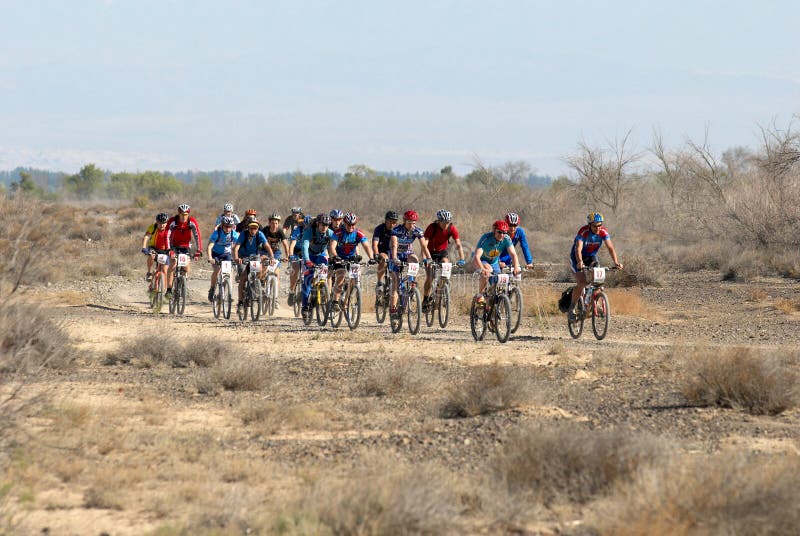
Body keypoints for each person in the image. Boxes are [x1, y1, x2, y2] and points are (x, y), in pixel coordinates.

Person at [568, 212, 623, 320]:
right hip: (577, 257)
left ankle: (594, 303)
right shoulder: (583, 232)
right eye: (595, 226)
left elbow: (610, 248)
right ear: (589, 225)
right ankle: (572, 308)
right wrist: (580, 262)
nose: (598, 228)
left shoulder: (603, 232)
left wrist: (616, 262)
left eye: (600, 225)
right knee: (582, 282)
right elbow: (578, 249)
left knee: (597, 281)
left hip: (591, 257)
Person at [389, 210, 431, 318]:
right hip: (396, 255)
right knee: (395, 283)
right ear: (404, 221)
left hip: (407, 254)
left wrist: (429, 258)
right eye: (409, 222)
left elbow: (423, 246)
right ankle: (393, 310)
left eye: (414, 222)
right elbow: (394, 244)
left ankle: (412, 282)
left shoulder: (417, 230)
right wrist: (394, 258)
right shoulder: (396, 230)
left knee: (414, 258)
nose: (412, 225)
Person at [422, 209, 466, 312]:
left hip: (441, 252)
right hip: (430, 253)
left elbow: (458, 244)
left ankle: (440, 288)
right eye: (444, 222)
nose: (446, 224)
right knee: (430, 277)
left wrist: (462, 259)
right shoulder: (432, 227)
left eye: (448, 222)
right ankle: (425, 299)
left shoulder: (451, 228)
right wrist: (424, 258)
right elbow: (424, 244)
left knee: (446, 263)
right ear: (439, 221)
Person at [331, 212, 375, 309]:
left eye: (353, 224)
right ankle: (335, 301)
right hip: (339, 258)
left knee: (355, 279)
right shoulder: (338, 232)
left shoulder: (358, 233)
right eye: (349, 224)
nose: (351, 226)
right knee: (341, 276)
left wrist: (371, 258)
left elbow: (366, 246)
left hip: (351, 258)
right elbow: (332, 246)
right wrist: (335, 256)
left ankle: (346, 301)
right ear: (345, 223)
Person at [300, 213, 338, 320]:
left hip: (321, 255)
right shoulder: (309, 231)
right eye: (322, 225)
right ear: (317, 223)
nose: (324, 227)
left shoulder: (330, 233)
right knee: (307, 279)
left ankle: (324, 294)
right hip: (309, 256)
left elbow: (336, 246)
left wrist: (336, 258)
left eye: (327, 225)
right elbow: (304, 246)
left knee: (325, 272)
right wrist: (307, 260)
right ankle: (305, 307)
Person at [472, 220, 521, 302]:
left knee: (499, 284)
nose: (502, 235)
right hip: (480, 261)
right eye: (499, 232)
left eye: (504, 232)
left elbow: (513, 254)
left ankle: (492, 305)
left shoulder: (506, 238)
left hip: (494, 263)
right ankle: (480, 295)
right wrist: (482, 269)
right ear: (494, 231)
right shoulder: (486, 238)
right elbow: (477, 256)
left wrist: (516, 267)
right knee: (488, 270)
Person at [232, 218, 273, 310]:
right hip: (243, 257)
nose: (253, 230)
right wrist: (236, 258)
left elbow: (267, 247)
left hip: (255, 257)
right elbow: (236, 247)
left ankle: (255, 291)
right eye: (251, 228)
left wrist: (272, 258)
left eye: (255, 228)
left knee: (256, 275)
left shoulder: (260, 234)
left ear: (258, 228)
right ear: (248, 228)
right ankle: (240, 302)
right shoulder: (244, 234)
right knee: (243, 277)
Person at [165, 204, 202, 298]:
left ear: (188, 214)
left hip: (185, 246)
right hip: (173, 245)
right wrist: (169, 249)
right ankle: (169, 289)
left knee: (186, 268)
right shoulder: (173, 221)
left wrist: (199, 250)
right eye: (182, 214)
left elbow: (197, 236)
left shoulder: (192, 221)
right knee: (173, 264)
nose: (183, 217)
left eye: (185, 214)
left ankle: (183, 284)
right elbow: (167, 235)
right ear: (179, 213)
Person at [206, 215, 239, 302]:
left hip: (226, 255)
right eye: (226, 227)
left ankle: (227, 293)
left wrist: (237, 258)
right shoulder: (217, 233)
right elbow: (209, 246)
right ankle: (212, 289)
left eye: (230, 227)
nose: (228, 229)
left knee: (228, 272)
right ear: (222, 226)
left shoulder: (233, 234)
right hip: (215, 254)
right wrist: (210, 258)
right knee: (217, 270)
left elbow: (237, 247)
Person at [263, 212, 290, 304]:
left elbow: (285, 244)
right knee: (263, 269)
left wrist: (287, 256)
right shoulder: (265, 230)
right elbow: (259, 240)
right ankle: (262, 284)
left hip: (276, 253)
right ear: (269, 223)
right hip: (265, 252)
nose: (274, 225)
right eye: (273, 223)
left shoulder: (280, 231)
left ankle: (275, 299)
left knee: (276, 273)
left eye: (276, 223)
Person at [287, 214, 313, 305]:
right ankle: (292, 291)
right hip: (297, 252)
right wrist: (290, 255)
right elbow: (292, 244)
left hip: (308, 253)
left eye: (309, 225)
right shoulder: (298, 230)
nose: (307, 227)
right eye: (306, 225)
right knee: (295, 268)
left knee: (310, 271)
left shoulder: (313, 231)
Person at [372, 210, 399, 294]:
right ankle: (379, 282)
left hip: (393, 253)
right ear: (385, 220)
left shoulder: (398, 230)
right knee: (384, 258)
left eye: (394, 222)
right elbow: (374, 244)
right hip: (381, 252)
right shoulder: (379, 229)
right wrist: (376, 254)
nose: (392, 224)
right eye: (390, 222)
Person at [141, 212, 170, 281]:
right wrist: (144, 247)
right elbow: (146, 236)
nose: (162, 225)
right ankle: (149, 273)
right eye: (160, 223)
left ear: (167, 223)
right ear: (157, 222)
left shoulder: (170, 229)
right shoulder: (153, 227)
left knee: (165, 271)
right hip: (154, 248)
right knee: (151, 255)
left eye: (164, 223)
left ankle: (165, 288)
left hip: (165, 250)